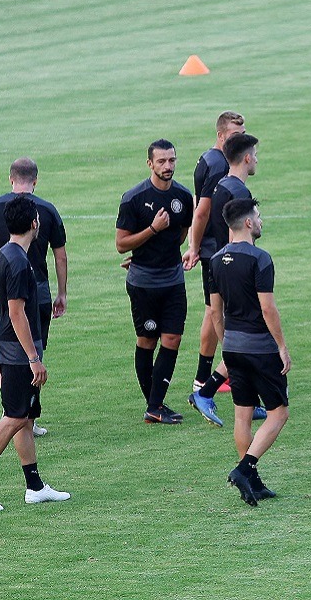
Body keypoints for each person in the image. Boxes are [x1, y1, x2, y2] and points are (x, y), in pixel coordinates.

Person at [0, 195, 70, 511]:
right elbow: (16, 312)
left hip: (9, 347)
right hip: (18, 352)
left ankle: (34, 487)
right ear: (34, 223)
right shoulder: (20, 262)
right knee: (14, 416)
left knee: (25, 417)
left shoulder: (6, 254)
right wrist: (34, 359)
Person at [211, 199, 292, 506]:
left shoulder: (215, 260)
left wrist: (226, 346)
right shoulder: (260, 258)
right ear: (247, 223)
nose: (260, 221)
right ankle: (245, 469)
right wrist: (281, 346)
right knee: (279, 413)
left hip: (232, 346)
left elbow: (215, 312)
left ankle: (253, 482)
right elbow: (267, 308)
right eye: (257, 217)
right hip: (260, 348)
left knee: (242, 414)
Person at [0, 157, 67, 438]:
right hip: (38, 291)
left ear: (10, 179)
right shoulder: (47, 210)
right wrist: (62, 293)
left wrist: (2, 281)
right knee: (34, 351)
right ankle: (22, 413)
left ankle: (15, 411)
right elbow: (60, 255)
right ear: (36, 181)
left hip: (0, 294)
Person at [188, 133, 266, 427]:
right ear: (246, 158)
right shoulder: (238, 192)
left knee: (243, 337)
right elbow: (243, 237)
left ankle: (248, 400)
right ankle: (205, 392)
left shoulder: (222, 185)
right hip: (236, 271)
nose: (256, 159)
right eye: (255, 155)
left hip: (222, 265)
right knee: (246, 337)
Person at [116, 139, 194, 424]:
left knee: (173, 338)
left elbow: (181, 234)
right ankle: (155, 406)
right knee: (147, 340)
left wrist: (160, 251)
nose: (167, 166)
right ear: (150, 163)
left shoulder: (184, 196)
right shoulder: (133, 198)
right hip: (144, 284)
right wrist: (152, 229)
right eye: (161, 161)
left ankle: (154, 406)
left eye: (171, 160)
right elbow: (121, 244)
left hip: (173, 280)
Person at [183, 111, 246, 394]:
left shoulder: (207, 158)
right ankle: (207, 377)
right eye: (235, 135)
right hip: (216, 248)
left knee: (214, 309)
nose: (240, 140)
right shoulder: (220, 165)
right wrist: (194, 247)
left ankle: (208, 374)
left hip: (210, 247)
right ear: (221, 135)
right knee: (214, 310)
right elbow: (203, 209)